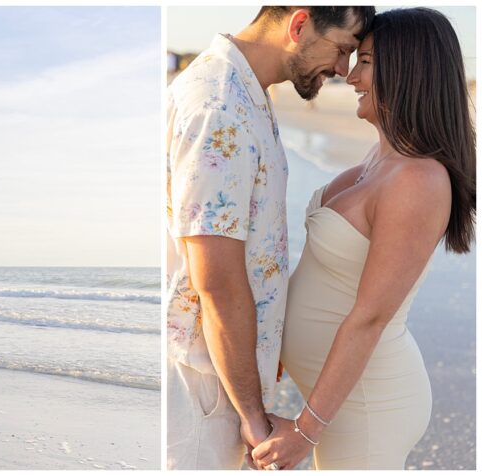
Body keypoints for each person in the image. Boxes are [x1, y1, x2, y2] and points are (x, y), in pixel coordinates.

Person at [252, 8, 475, 470]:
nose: (350, 77)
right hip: (343, 401)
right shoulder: (382, 159)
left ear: (408, 69)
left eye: (366, 62)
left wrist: (305, 431)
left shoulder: (419, 181)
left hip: (370, 405)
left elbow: (370, 318)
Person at [165, 6, 375, 469]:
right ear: (299, 26)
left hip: (223, 377)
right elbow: (216, 280)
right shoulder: (220, 105)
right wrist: (252, 417)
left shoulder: (246, 93)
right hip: (205, 387)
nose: (342, 69)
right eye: (341, 49)